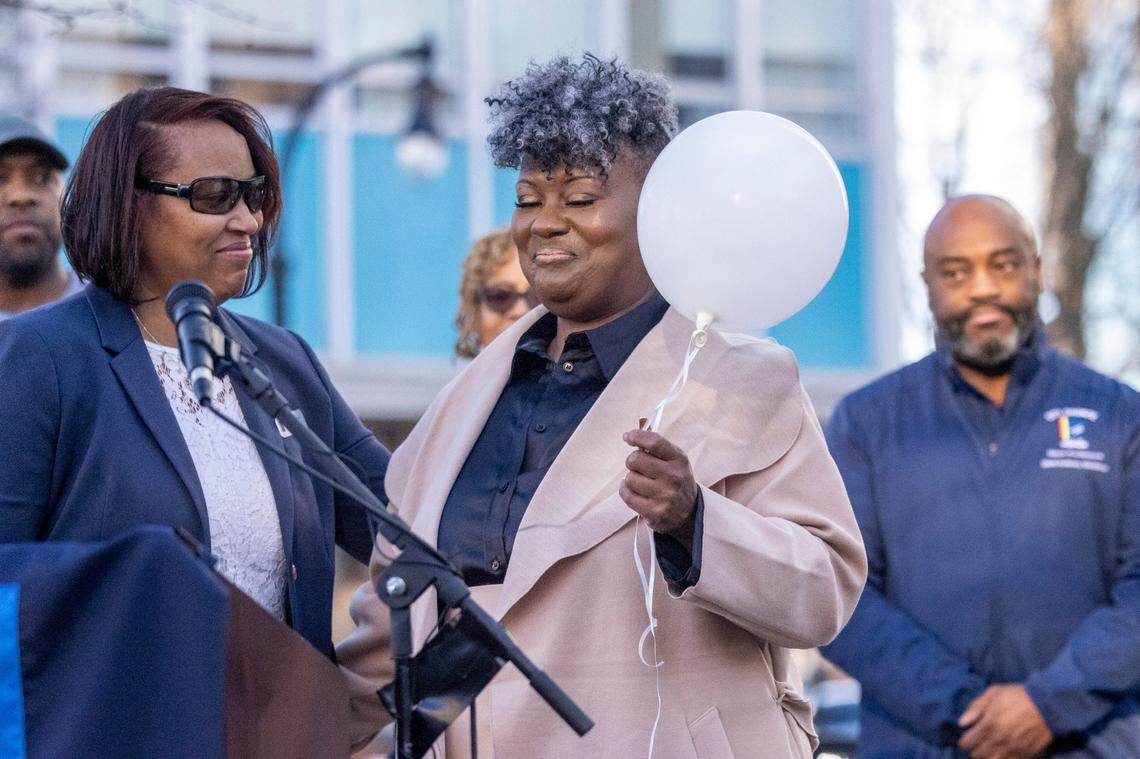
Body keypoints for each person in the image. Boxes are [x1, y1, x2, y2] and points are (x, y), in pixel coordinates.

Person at [337, 54, 866, 759]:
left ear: (657, 210)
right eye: (528, 199)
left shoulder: (745, 381)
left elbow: (826, 589)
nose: (544, 225)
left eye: (580, 198)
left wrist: (696, 522)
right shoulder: (457, 406)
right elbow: (388, 630)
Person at [0, 87, 389, 658]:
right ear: (125, 202)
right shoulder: (37, 356)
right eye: (215, 196)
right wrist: (141, 573)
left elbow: (407, 523)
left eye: (254, 195)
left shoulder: (286, 364)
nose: (250, 221)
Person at [821, 195, 1140, 757]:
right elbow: (841, 594)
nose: (983, 288)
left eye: (1004, 264)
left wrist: (1048, 704)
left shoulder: (1119, 416)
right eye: (955, 271)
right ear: (927, 285)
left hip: (1094, 742)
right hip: (922, 744)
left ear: (1036, 268)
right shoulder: (866, 424)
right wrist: (966, 711)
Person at [0, 115, 82, 318]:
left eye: (41, 177)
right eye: (0, 179)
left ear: (65, 199)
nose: (21, 196)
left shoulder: (116, 315)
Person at [454, 227, 535, 358]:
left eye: (537, 298)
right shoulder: (465, 379)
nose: (520, 311)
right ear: (473, 312)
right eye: (500, 296)